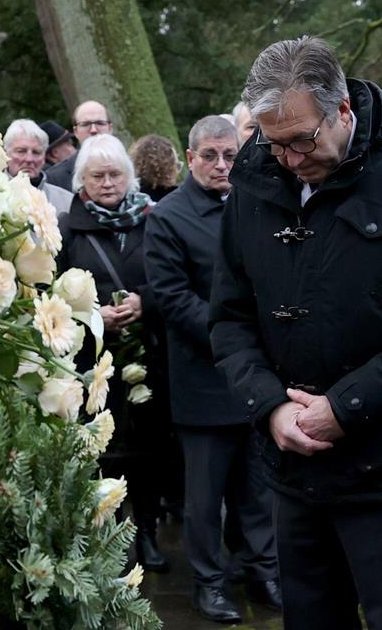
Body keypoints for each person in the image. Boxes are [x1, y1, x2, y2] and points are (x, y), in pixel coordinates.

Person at [209, 37, 382, 630]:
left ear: (343, 110)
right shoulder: (254, 177)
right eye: (273, 142)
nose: (289, 159)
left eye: (303, 140)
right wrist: (272, 406)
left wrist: (345, 407)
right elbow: (229, 317)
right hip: (295, 470)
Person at [144, 115, 280, 623]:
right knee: (204, 497)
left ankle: (262, 571)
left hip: (258, 378)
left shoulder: (255, 203)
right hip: (204, 377)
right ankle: (208, 582)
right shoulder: (168, 217)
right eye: (210, 156)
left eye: (230, 155)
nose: (222, 165)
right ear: (190, 157)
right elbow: (171, 298)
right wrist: (235, 337)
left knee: (258, 487)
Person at [55, 133, 169, 572]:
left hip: (148, 356)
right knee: (104, 449)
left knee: (150, 450)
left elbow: (172, 279)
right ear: (81, 180)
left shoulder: (153, 220)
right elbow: (52, 293)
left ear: (130, 176)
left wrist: (144, 301)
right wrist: (93, 314)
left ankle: (148, 532)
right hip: (93, 362)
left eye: (115, 175)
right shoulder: (68, 227)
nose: (108, 184)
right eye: (97, 176)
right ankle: (111, 533)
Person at [2, 119, 73, 215]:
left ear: (44, 158)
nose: (29, 159)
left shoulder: (66, 202)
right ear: (6, 154)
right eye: (21, 151)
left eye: (36, 152)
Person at [45, 100, 113, 191]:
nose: (93, 130)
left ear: (110, 128)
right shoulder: (55, 179)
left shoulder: (129, 167)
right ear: (75, 131)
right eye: (85, 124)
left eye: (100, 123)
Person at [129, 134, 181, 203]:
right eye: (177, 166)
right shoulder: (178, 199)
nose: (177, 172)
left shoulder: (129, 197)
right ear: (168, 169)